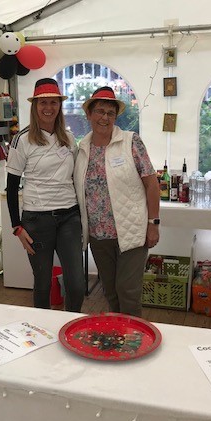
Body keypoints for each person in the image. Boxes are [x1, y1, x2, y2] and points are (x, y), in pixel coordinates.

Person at [73, 86, 160, 317]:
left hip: (131, 231)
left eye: (110, 113)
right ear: (89, 115)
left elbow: (152, 184)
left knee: (128, 290)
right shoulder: (82, 149)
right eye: (100, 111)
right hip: (98, 236)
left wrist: (154, 223)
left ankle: (133, 340)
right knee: (110, 291)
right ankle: (119, 333)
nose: (105, 118)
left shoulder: (131, 142)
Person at [6, 78, 85, 312]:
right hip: (37, 220)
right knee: (42, 284)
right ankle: (42, 334)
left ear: (60, 105)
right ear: (34, 106)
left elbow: (76, 177)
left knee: (76, 284)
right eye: (43, 103)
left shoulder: (68, 139)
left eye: (53, 102)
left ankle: (69, 327)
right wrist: (16, 227)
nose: (48, 107)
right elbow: (11, 185)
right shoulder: (23, 139)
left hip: (69, 217)